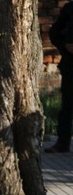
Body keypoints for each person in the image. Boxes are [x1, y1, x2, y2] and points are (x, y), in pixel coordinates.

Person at [46, 1, 73, 154]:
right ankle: (63, 143)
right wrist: (66, 47)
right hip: (70, 65)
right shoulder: (70, 8)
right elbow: (54, 33)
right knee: (67, 105)